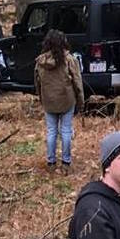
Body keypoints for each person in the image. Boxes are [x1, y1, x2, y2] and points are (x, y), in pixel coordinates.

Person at [35, 29, 87, 169]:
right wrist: (81, 101)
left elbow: (37, 82)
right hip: (67, 100)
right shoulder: (69, 60)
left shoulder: (41, 61)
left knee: (51, 131)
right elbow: (77, 82)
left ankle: (51, 162)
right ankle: (66, 162)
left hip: (49, 101)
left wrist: (41, 98)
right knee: (66, 131)